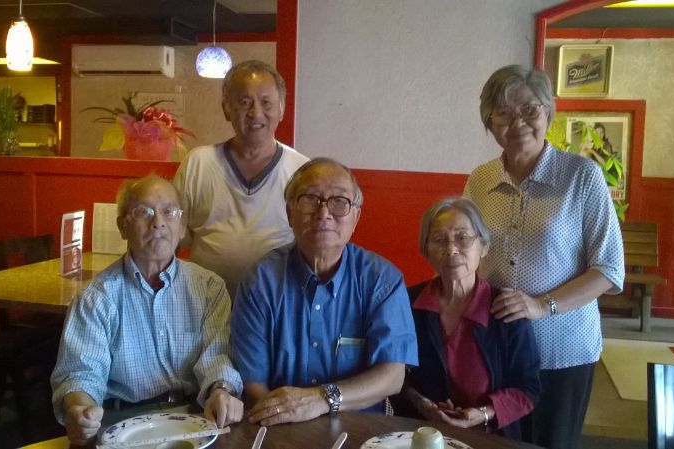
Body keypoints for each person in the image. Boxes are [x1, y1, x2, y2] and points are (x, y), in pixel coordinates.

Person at [464, 65, 624, 449]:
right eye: (504, 113)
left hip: (562, 350)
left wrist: (541, 306)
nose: (517, 123)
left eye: (529, 110)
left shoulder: (582, 176)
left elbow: (608, 269)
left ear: (548, 113)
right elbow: (467, 250)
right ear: (490, 123)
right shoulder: (480, 180)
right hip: (498, 345)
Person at [51, 174, 243, 446]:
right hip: (122, 421)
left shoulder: (209, 288)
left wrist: (221, 390)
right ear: (123, 226)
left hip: (193, 416)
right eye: (144, 212)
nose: (158, 222)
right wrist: (80, 410)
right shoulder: (96, 297)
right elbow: (81, 373)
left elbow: (217, 356)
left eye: (170, 212)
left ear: (182, 226)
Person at [230, 157, 418, 426]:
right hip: (281, 429)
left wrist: (321, 399)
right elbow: (253, 383)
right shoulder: (259, 282)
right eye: (310, 199)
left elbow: (392, 376)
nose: (324, 213)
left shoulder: (382, 281)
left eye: (339, 201)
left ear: (356, 217)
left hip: (360, 431)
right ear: (289, 213)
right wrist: (288, 421)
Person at [401, 197, 539, 440]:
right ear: (426, 251)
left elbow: (528, 390)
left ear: (483, 247)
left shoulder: (506, 310)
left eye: (462, 238)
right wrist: (420, 404)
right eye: (439, 240)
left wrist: (484, 413)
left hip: (491, 437)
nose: (451, 250)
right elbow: (393, 373)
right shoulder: (407, 304)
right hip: (424, 434)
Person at [174, 60, 309, 296]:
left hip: (274, 304)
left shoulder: (302, 171)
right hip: (202, 302)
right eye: (244, 102)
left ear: (281, 108)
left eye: (266, 103)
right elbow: (173, 235)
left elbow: (314, 245)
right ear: (226, 108)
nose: (256, 113)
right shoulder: (198, 163)